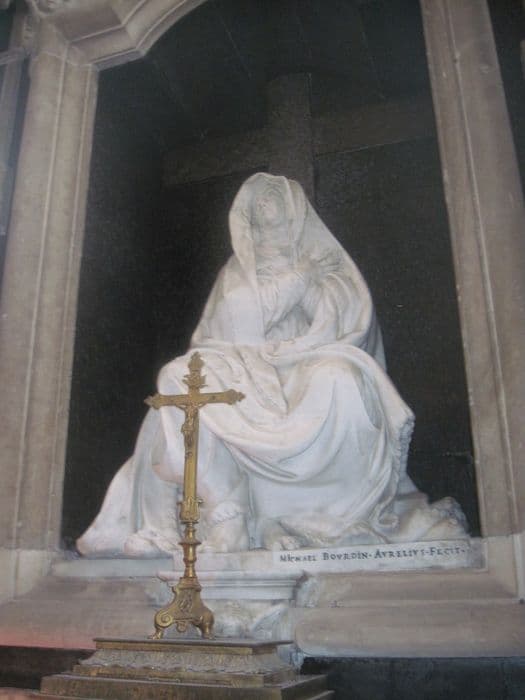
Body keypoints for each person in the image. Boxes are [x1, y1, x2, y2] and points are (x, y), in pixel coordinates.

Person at [77, 173, 467, 558]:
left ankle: (326, 513)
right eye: (258, 210)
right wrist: (297, 282)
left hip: (305, 362)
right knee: (178, 375)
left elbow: (338, 321)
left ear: (294, 215)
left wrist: (305, 293)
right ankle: (229, 513)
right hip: (242, 366)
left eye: (274, 208)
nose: (265, 214)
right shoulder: (236, 272)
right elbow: (232, 325)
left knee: (341, 377)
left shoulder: (324, 264)